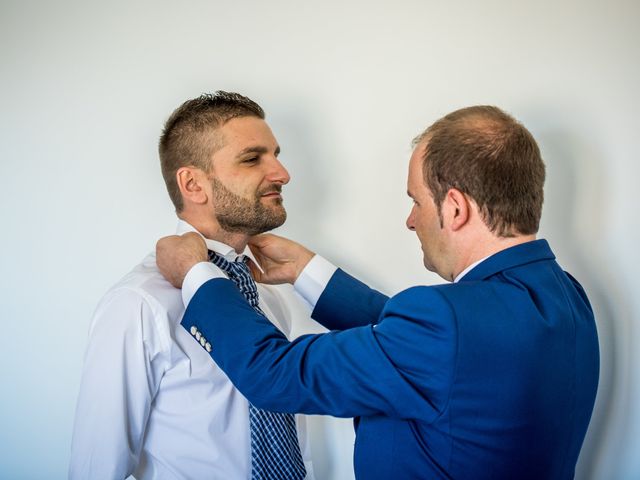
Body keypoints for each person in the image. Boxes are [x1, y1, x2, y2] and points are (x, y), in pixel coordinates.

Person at [156, 105, 600, 479]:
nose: (411, 220)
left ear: (456, 208)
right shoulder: (565, 297)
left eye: (416, 201)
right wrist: (307, 272)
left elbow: (275, 374)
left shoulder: (446, 328)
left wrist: (197, 273)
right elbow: (429, 350)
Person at [69, 92, 313, 479]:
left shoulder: (269, 297)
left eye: (276, 155)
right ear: (193, 184)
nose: (282, 174)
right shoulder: (139, 304)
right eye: (253, 158)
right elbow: (95, 469)